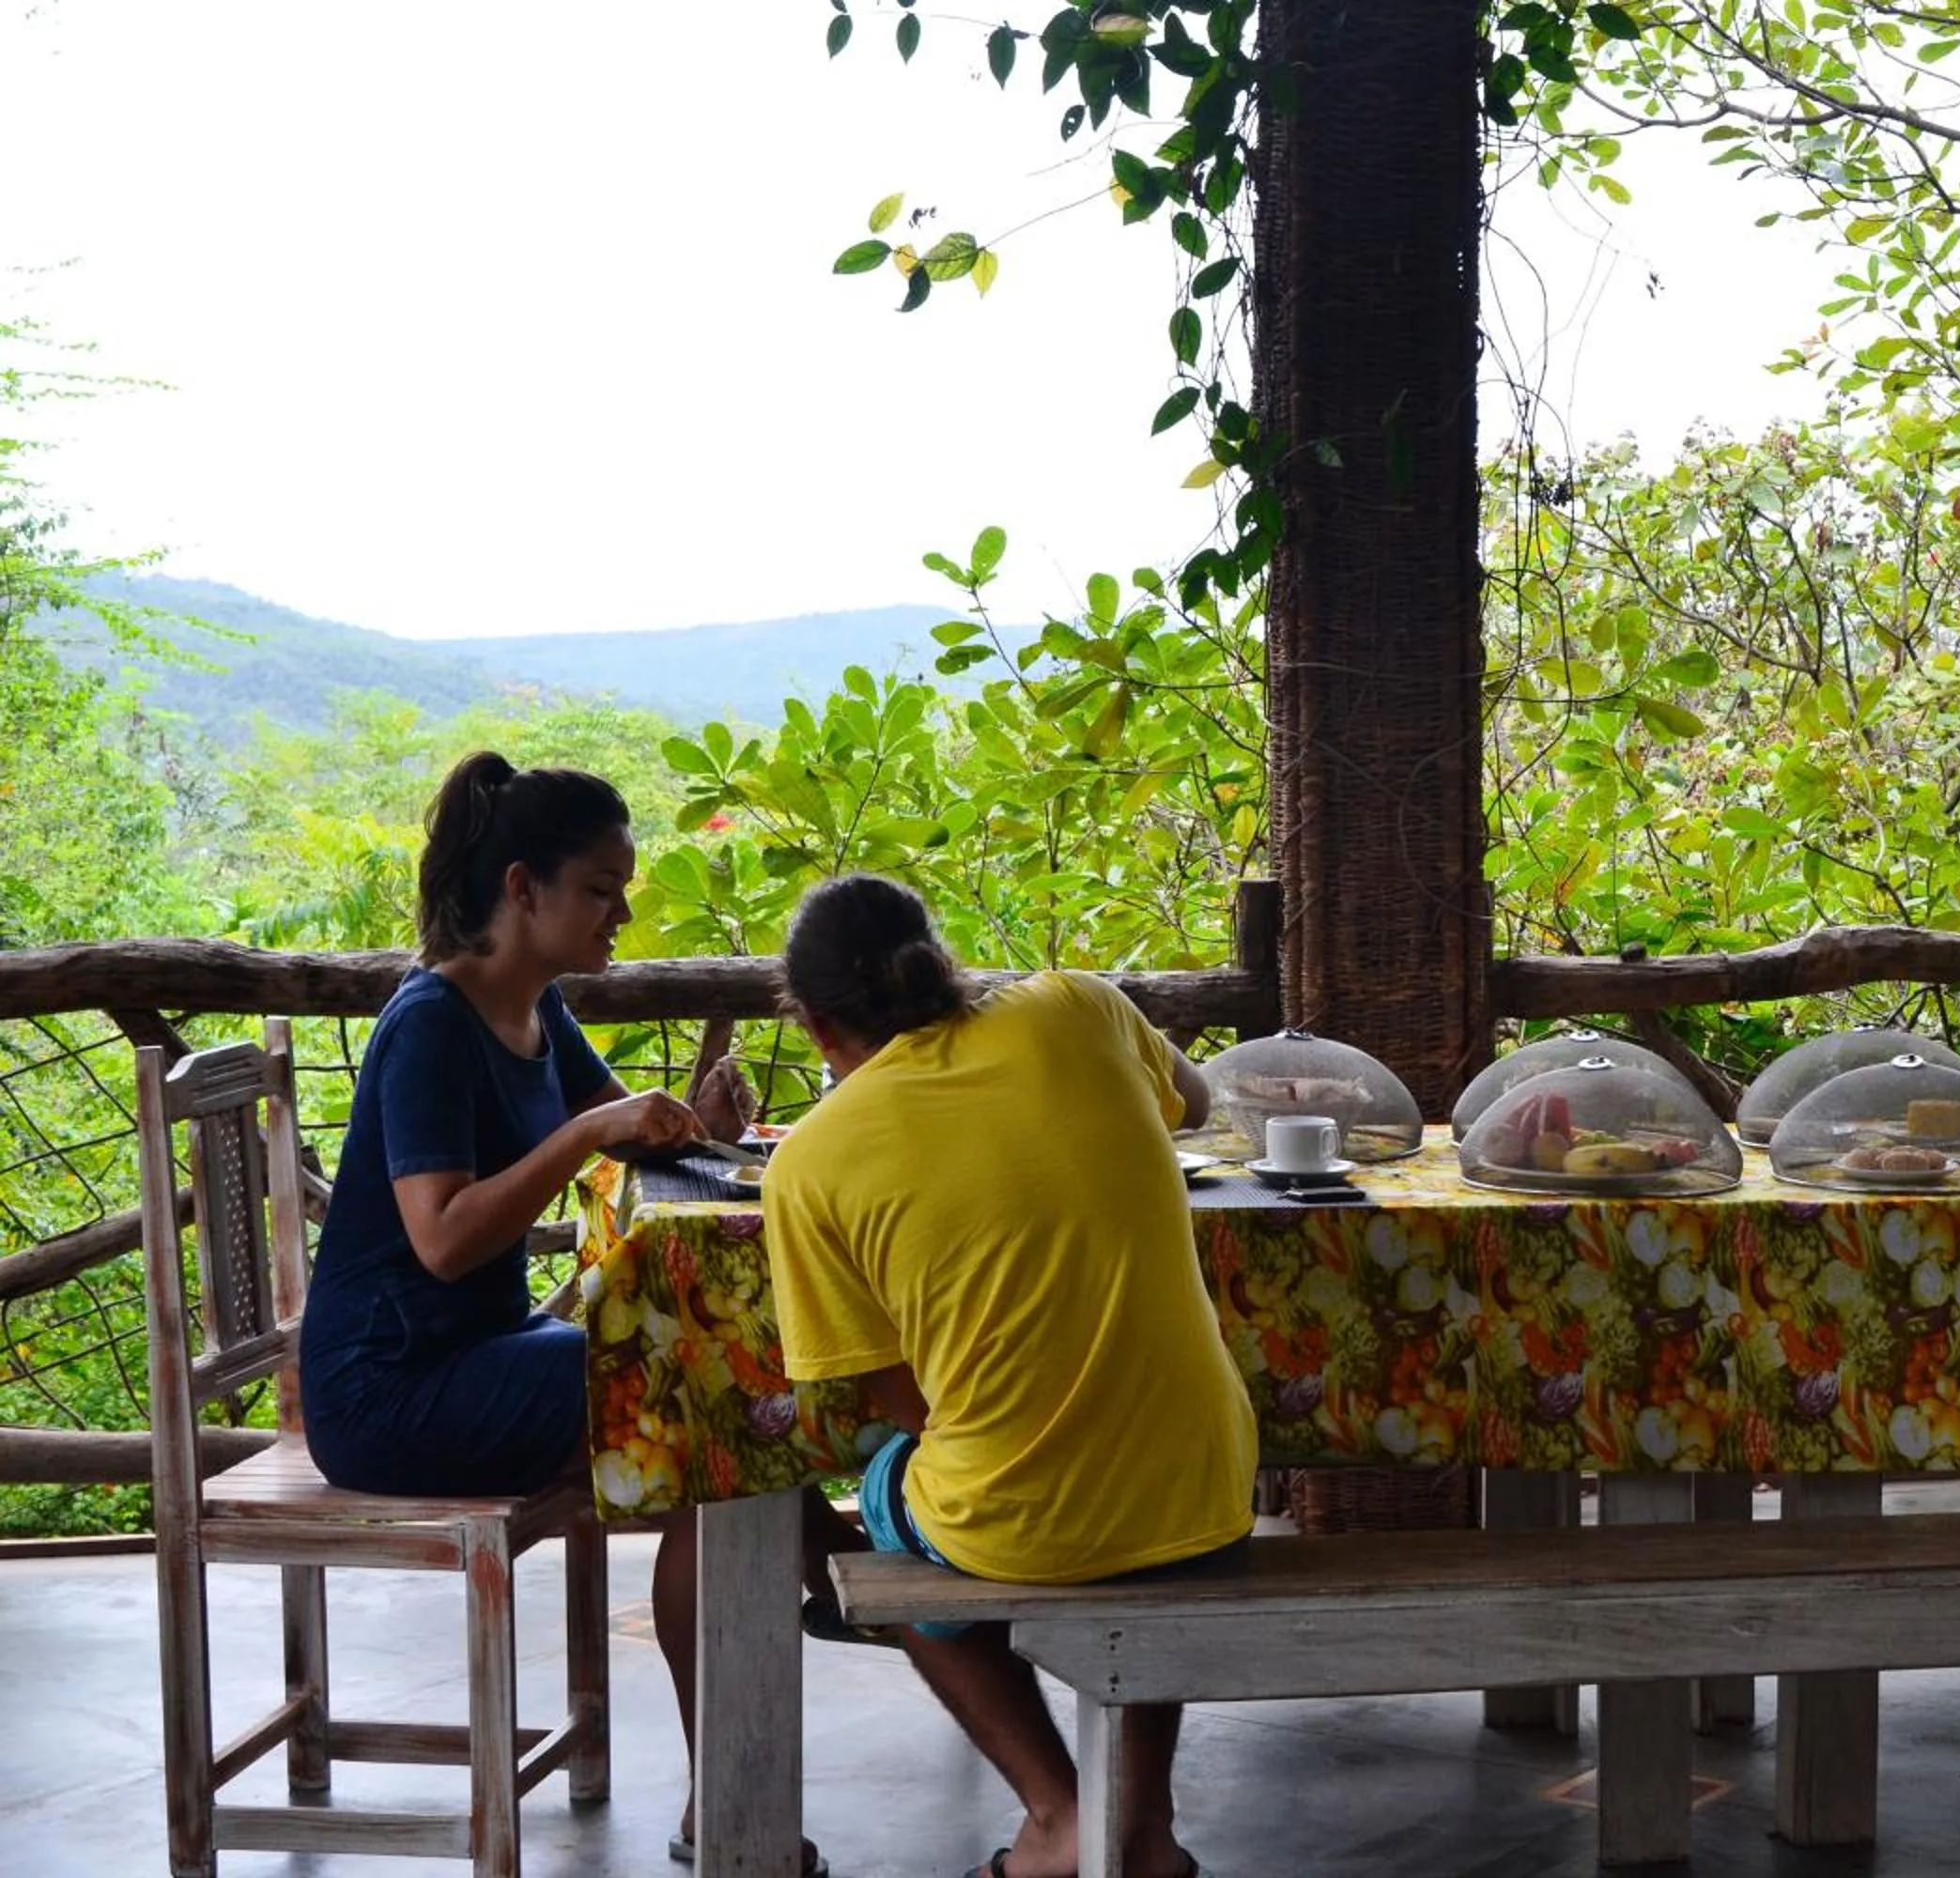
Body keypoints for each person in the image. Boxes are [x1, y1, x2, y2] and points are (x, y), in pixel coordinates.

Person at [298, 749, 846, 1876]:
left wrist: (693, 1120)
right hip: (388, 1390)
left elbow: (631, 1133)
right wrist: (586, 1133)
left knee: (720, 1391)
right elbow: (443, 1238)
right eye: (602, 888)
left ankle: (811, 1611)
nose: (622, 914)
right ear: (522, 887)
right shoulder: (430, 1024)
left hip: (483, 1351)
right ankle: (811, 1621)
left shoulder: (536, 1007)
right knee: (719, 1413)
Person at [763, 873, 1255, 1878]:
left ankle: (1059, 1813)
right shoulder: (1077, 1004)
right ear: (940, 959)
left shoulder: (807, 1164)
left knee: (888, 1492)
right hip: (1209, 1486)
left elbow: (908, 1406)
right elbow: (1197, 1102)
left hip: (1023, 1525)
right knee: (1145, 1483)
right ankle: (1143, 1830)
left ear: (814, 1025)